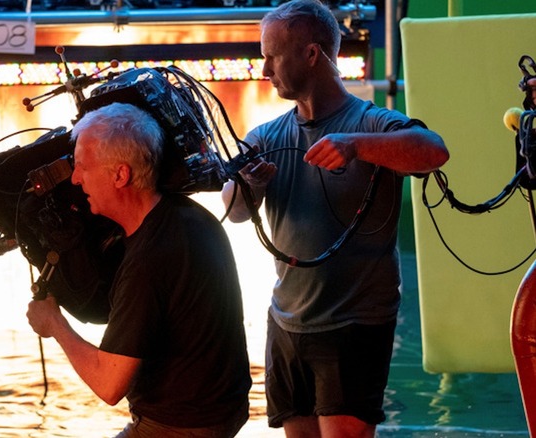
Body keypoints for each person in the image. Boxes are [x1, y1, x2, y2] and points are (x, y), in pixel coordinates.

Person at [221, 1, 449, 437]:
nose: (264, 69)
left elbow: (433, 150)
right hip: (286, 322)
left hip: (355, 324)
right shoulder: (266, 137)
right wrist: (248, 184)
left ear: (312, 54)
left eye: (273, 56)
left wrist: (356, 147)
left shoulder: (370, 122)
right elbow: (232, 213)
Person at [27, 102, 252, 437]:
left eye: (83, 167)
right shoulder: (190, 217)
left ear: (120, 175)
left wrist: (54, 323)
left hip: (180, 426)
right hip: (221, 413)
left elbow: (109, 384)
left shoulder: (149, 260)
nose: (75, 178)